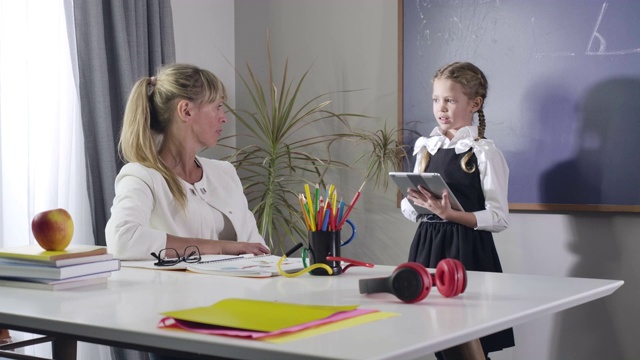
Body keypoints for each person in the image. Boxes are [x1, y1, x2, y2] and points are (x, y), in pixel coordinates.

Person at [401, 62, 515, 359]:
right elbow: (412, 208)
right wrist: (416, 201)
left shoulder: (483, 151)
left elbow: (499, 217)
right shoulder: (427, 147)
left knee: (466, 336)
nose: (441, 108)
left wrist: (450, 214)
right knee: (436, 338)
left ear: (475, 104)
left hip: (465, 250)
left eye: (450, 100)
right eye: (436, 100)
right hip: (427, 246)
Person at [106, 63, 270, 261]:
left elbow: (256, 249)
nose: (224, 118)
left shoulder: (225, 173)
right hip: (179, 291)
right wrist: (221, 248)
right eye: (218, 106)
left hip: (241, 290)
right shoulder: (142, 176)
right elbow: (122, 240)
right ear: (186, 111)